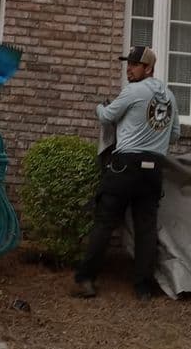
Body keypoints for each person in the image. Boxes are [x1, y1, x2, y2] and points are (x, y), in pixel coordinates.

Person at [72, 44, 180, 302]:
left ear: (149, 68)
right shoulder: (170, 96)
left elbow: (108, 116)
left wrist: (100, 107)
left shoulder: (133, 91)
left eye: (134, 65)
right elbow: (175, 134)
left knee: (105, 221)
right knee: (146, 228)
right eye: (128, 64)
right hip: (153, 169)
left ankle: (85, 279)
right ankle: (143, 287)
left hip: (125, 166)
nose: (128, 69)